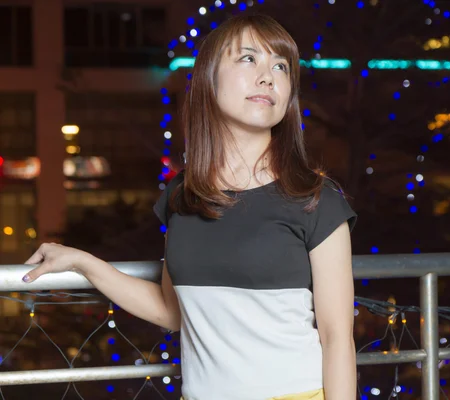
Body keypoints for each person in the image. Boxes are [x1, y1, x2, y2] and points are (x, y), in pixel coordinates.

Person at [22, 13, 357, 400]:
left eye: (280, 66)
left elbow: (337, 339)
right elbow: (172, 311)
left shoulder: (316, 199)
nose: (268, 76)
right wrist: (82, 262)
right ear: (208, 80)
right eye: (248, 59)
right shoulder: (184, 196)